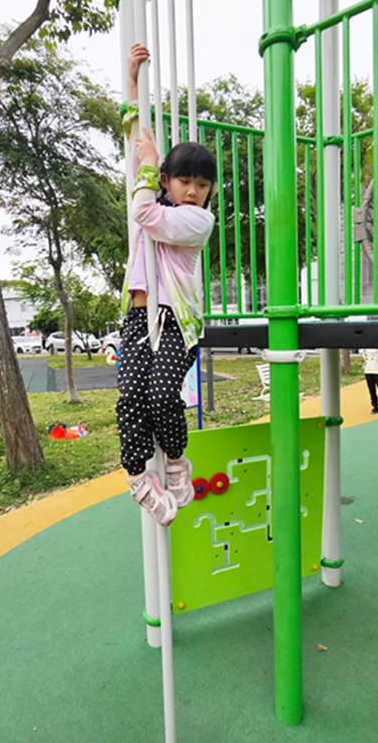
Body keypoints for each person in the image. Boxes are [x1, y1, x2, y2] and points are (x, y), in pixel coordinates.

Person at [117, 43, 217, 527]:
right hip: (138, 315)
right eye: (183, 181)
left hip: (175, 320)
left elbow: (143, 210)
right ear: (167, 180)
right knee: (129, 395)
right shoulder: (148, 194)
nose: (192, 190)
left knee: (161, 395)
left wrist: (150, 171)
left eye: (201, 182)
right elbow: (135, 139)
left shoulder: (197, 221)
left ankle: (176, 460)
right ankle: (138, 479)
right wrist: (133, 82)